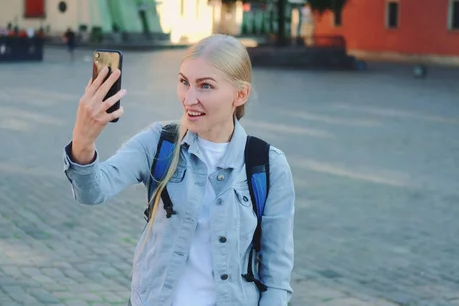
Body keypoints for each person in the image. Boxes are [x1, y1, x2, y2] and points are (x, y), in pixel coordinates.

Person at [62, 34, 295, 306]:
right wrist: (83, 140)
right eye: (184, 82)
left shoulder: (267, 165)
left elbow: (276, 280)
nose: (189, 98)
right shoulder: (159, 143)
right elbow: (92, 191)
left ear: (240, 94)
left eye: (205, 86)